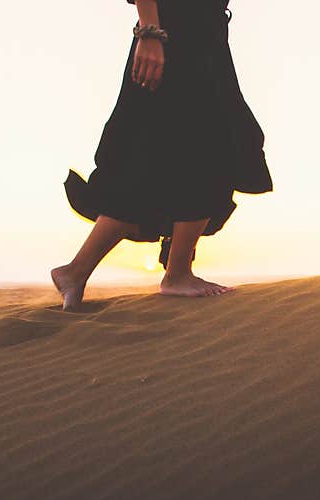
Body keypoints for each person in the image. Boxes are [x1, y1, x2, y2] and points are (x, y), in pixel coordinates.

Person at [52, 0, 273, 309]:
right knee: (209, 147)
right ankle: (177, 274)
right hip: (173, 34)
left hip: (203, 36)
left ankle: (76, 272)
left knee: (158, 158)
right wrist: (149, 31)